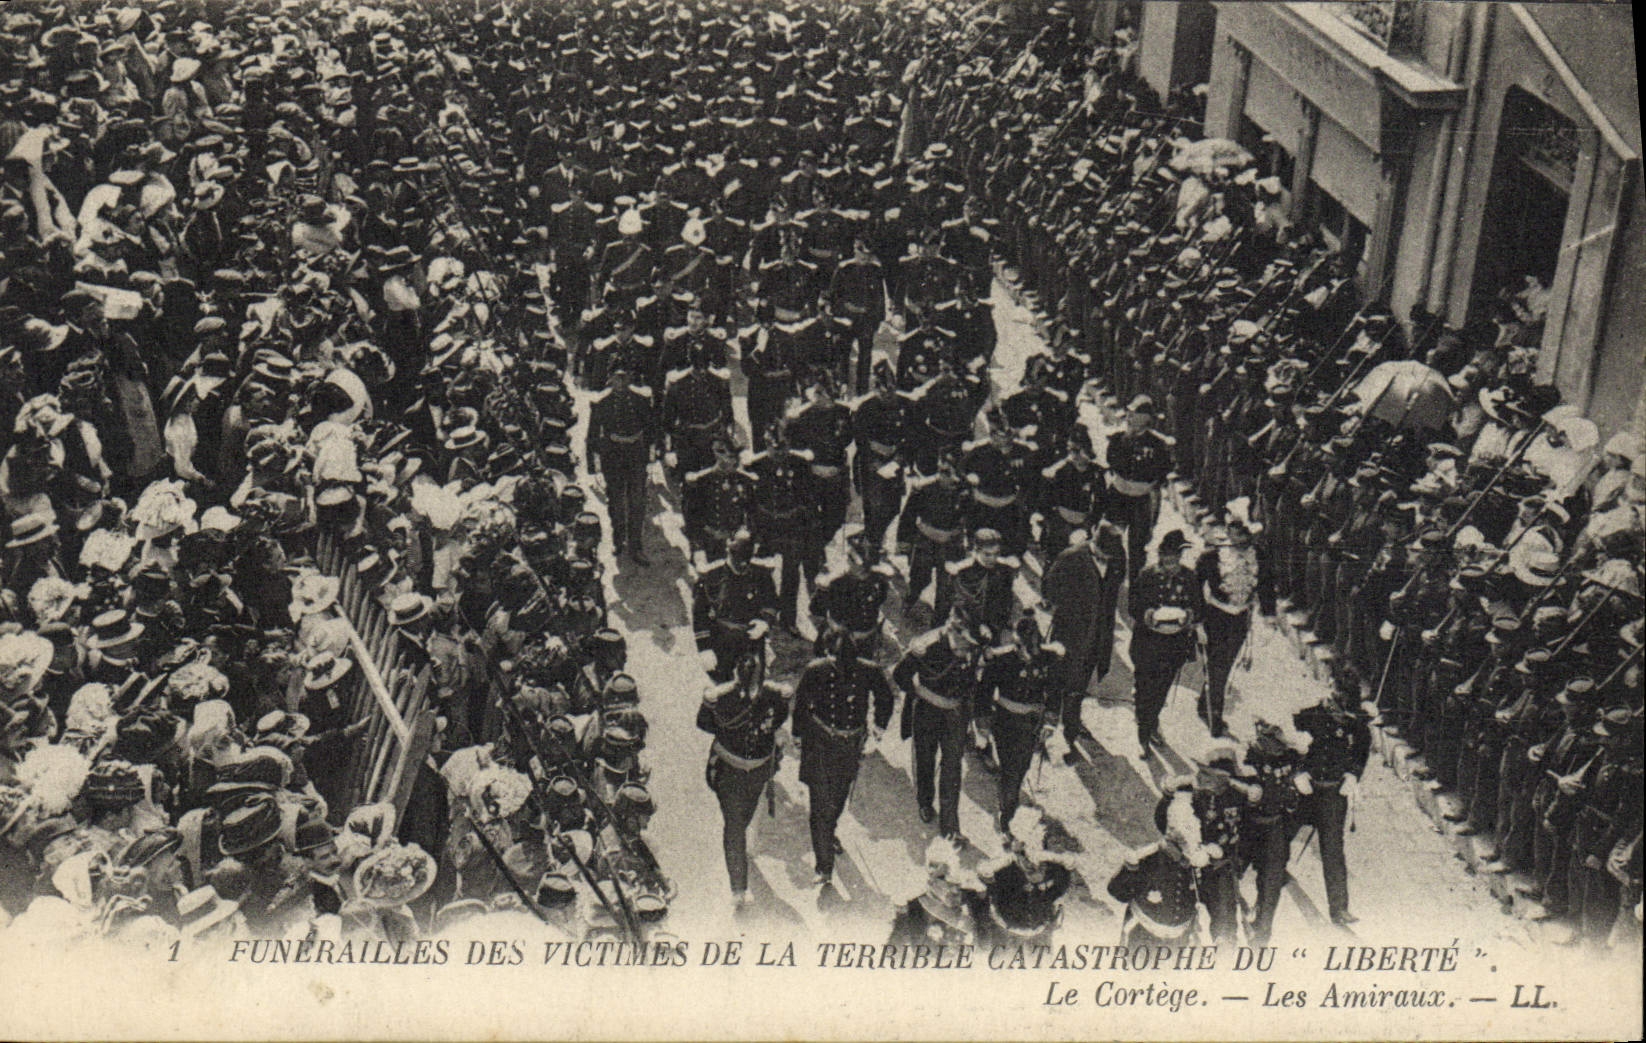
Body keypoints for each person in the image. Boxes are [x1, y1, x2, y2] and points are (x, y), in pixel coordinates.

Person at [792, 632, 894, 887]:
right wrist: (797, 734)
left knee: (838, 797)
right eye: (839, 661)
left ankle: (829, 832)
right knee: (819, 806)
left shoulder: (868, 671)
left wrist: (879, 727)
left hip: (849, 744)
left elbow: (885, 696)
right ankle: (824, 866)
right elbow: (801, 703)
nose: (844, 667)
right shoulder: (816, 671)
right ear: (830, 656)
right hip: (820, 742)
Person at [696, 652, 791, 908]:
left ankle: (738, 862)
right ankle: (738, 887)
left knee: (745, 816)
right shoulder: (724, 696)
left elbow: (780, 717)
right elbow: (703, 722)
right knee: (735, 826)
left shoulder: (771, 695)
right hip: (730, 772)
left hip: (758, 772)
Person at [893, 605, 984, 840]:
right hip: (927, 712)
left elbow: (971, 680)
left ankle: (950, 827)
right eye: (964, 645)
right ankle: (924, 801)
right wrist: (919, 694)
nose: (967, 651)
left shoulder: (973, 646)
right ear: (953, 631)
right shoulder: (928, 646)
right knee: (925, 760)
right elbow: (900, 674)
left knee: (952, 769)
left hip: (955, 715)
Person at [1291, 672, 1373, 927]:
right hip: (1307, 790)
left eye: (1341, 696)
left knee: (1333, 851)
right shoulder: (1315, 714)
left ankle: (1339, 909)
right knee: (1281, 832)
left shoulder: (1358, 727)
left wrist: (1352, 776)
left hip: (1333, 796)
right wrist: (1298, 773)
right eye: (1334, 693)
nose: (1334, 700)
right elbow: (1294, 741)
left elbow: (1360, 756)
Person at [1042, 519, 1126, 752]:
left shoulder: (1117, 558)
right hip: (1069, 633)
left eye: (1110, 556)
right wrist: (1071, 604)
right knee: (1058, 681)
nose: (1106, 559)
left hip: (1098, 635)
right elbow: (1049, 589)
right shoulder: (1071, 557)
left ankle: (1070, 730)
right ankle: (1047, 730)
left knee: (1079, 684)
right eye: (1102, 554)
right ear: (1093, 544)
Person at [979, 616, 1062, 830]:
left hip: (1031, 723)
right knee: (1009, 769)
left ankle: (1009, 805)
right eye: (1023, 647)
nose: (1028, 652)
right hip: (1005, 721)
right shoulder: (1001, 659)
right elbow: (984, 692)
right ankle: (1008, 813)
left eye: (1032, 646)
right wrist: (983, 724)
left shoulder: (1048, 658)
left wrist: (1050, 723)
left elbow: (1054, 693)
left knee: (1021, 766)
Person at [1194, 500, 1268, 738]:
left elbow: (1267, 585)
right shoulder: (1212, 555)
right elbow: (1194, 587)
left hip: (1240, 619)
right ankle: (1214, 713)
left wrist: (1269, 612)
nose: (1238, 535)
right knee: (1216, 665)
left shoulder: (1260, 555)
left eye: (1243, 531)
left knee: (1223, 666)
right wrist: (1196, 621)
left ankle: (1209, 706)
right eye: (1235, 529)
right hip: (1214, 617)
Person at [1128, 529, 1199, 754]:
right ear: (1160, 556)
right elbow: (1133, 605)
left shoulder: (1189, 577)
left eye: (1176, 559)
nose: (1172, 565)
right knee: (1143, 687)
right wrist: (1147, 614)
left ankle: (1150, 723)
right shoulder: (1147, 576)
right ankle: (1143, 736)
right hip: (1147, 643)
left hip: (1174, 646)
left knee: (1160, 690)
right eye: (1167, 559)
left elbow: (1199, 607)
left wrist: (1188, 615)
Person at [585, 364, 657, 566]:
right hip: (613, 455)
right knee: (616, 501)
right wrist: (593, 467)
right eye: (617, 378)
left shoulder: (641, 399)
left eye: (625, 378)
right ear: (610, 379)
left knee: (637, 501)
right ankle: (618, 539)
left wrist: (651, 456)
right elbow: (592, 435)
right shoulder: (601, 402)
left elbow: (651, 427)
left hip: (636, 454)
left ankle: (636, 545)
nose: (621, 382)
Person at [691, 531, 779, 684]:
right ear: (728, 551)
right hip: (721, 645)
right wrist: (704, 649)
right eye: (738, 556)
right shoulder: (711, 577)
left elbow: (771, 602)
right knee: (725, 691)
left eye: (747, 557)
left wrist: (765, 622)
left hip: (752, 641)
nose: (743, 563)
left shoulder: (761, 574)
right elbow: (700, 614)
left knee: (754, 689)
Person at [1106, 395, 1174, 585]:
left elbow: (1160, 478)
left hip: (1141, 501)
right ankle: (1111, 581)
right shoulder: (1119, 438)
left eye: (1134, 412)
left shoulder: (1157, 445)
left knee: (1137, 547)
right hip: (1118, 497)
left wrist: (1154, 514)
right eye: (1128, 411)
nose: (1128, 415)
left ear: (1146, 418)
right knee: (1111, 541)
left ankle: (1136, 587)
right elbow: (1113, 465)